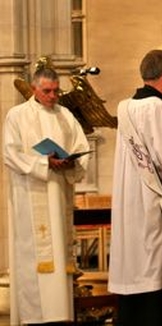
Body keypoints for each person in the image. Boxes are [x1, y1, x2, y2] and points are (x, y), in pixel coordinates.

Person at [108, 49, 162, 325]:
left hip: (130, 205)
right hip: (155, 209)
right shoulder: (158, 109)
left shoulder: (126, 108)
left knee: (137, 270)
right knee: (160, 275)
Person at [4, 67, 90, 324]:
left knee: (60, 254)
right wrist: (43, 162)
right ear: (33, 89)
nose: (53, 96)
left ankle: (60, 315)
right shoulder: (17, 116)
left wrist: (71, 161)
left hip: (60, 194)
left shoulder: (65, 115)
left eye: (56, 91)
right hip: (31, 196)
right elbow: (10, 153)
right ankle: (35, 316)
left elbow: (81, 146)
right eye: (47, 91)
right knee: (34, 256)